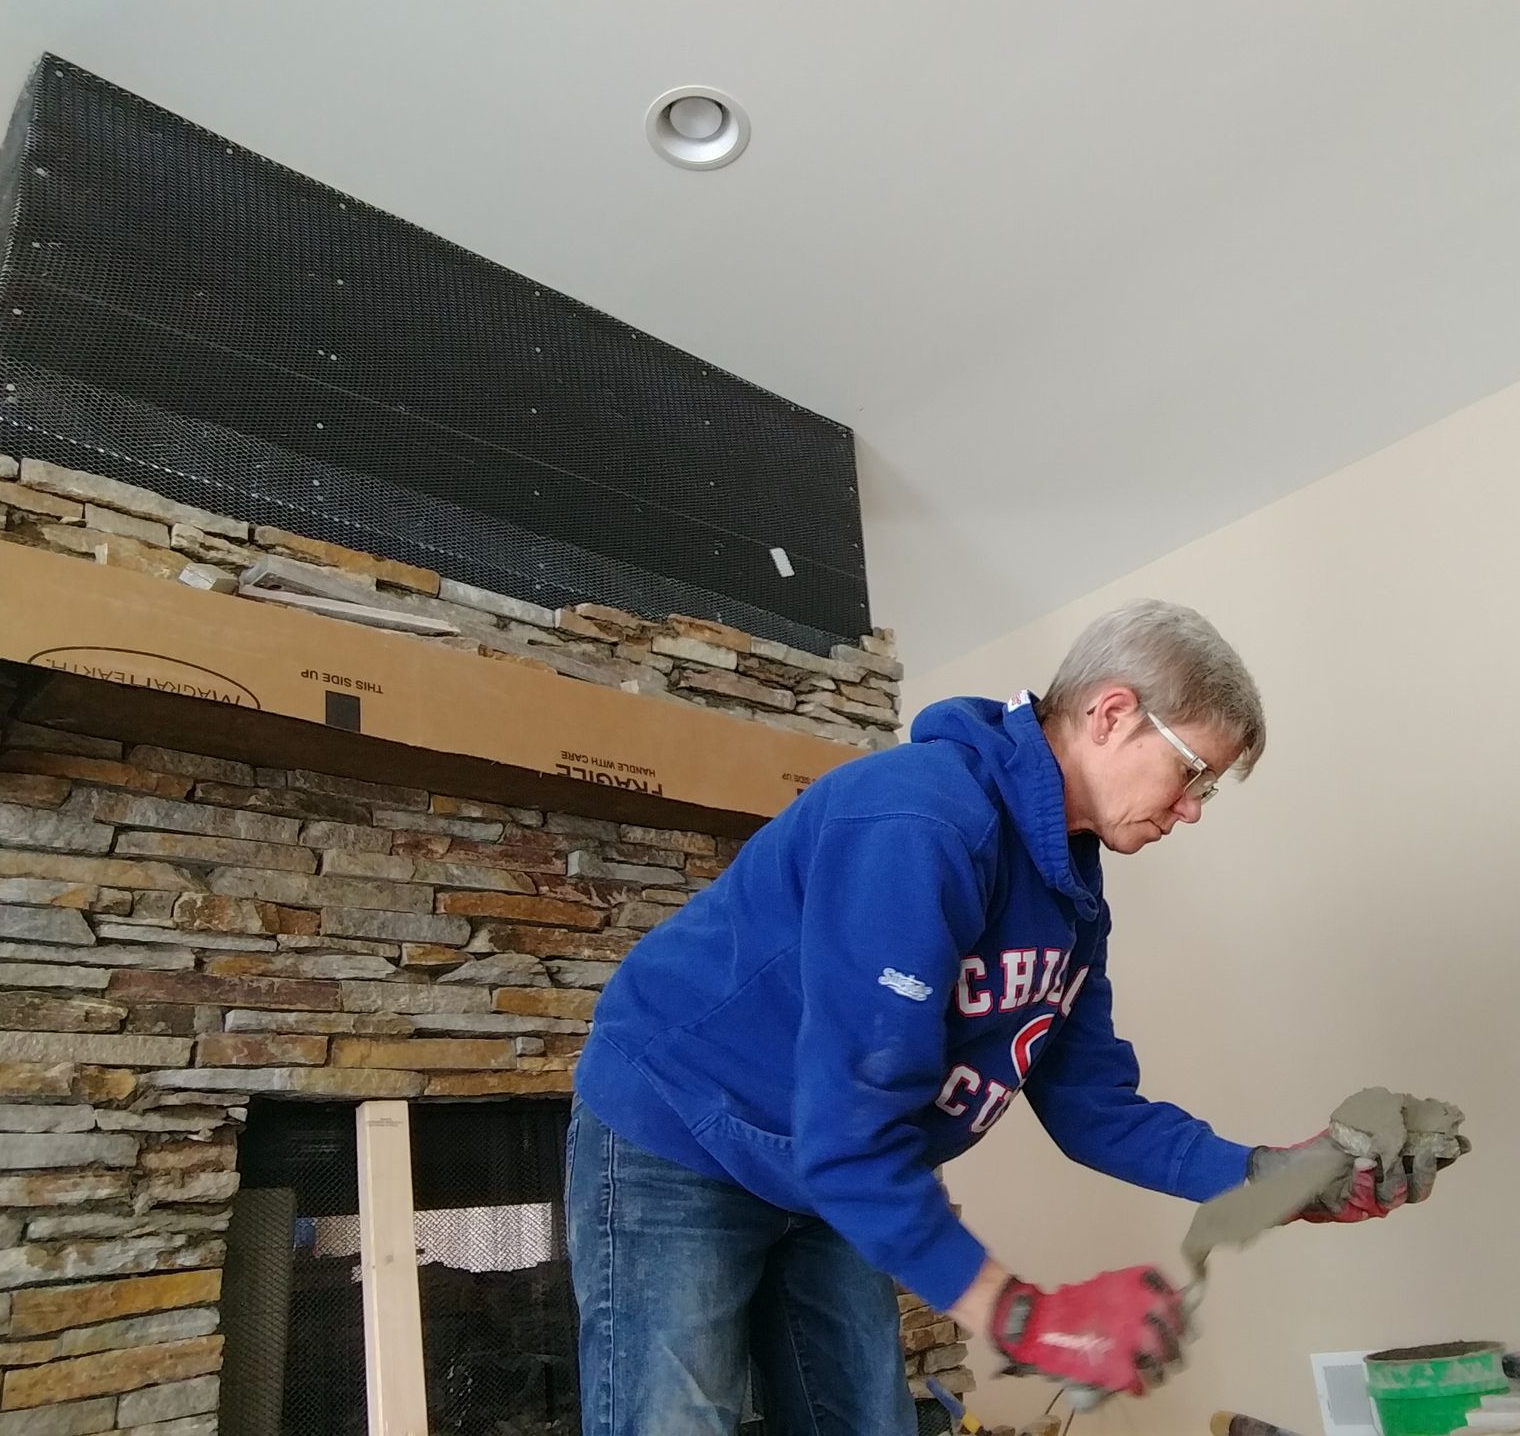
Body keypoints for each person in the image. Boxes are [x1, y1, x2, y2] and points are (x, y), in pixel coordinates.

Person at [568, 598, 1465, 1435]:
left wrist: (1275, 1177)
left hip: (827, 1169)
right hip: (682, 1133)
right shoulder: (922, 822)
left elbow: (1092, 1107)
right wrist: (1028, 1316)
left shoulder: (1071, 892)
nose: (1192, 809)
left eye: (1210, 789)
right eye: (1193, 773)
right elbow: (855, 1133)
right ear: (1111, 715)